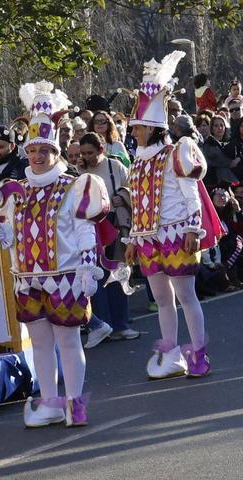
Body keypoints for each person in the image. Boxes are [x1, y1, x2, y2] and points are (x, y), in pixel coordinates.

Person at [0, 81, 108, 427]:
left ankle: (75, 402)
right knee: (39, 344)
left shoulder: (75, 186)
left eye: (44, 151)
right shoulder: (16, 191)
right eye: (32, 151)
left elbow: (85, 228)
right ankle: (51, 401)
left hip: (65, 277)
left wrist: (87, 266)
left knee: (68, 341)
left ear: (56, 152)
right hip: (28, 279)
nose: (37, 157)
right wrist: (6, 235)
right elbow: (16, 235)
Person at [123, 51, 213, 380]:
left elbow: (191, 194)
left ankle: (199, 352)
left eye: (138, 127)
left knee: (186, 295)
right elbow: (138, 204)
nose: (133, 132)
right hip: (148, 239)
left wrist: (193, 228)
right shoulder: (137, 162)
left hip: (177, 233)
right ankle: (172, 352)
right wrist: (134, 238)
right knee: (162, 299)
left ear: (153, 126)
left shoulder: (177, 152)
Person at [78, 133, 139, 343]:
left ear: (101, 149)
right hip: (90, 228)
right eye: (84, 153)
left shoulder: (115, 166)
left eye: (91, 153)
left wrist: (122, 197)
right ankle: (103, 325)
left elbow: (133, 189)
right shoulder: (79, 169)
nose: (88, 157)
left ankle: (121, 325)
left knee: (118, 273)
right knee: (96, 277)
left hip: (113, 223)